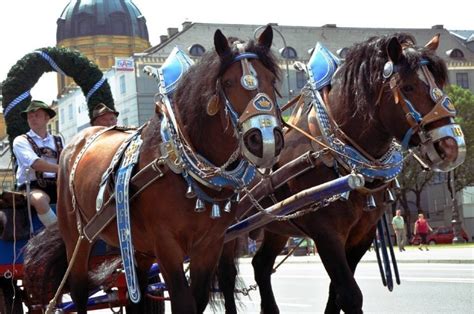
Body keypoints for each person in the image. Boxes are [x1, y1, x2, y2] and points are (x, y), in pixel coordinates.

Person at [12, 100, 63, 228]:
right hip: (30, 188)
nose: (33, 118)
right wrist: (64, 169)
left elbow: (67, 159)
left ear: (47, 118)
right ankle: (57, 234)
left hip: (58, 186)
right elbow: (36, 164)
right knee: (40, 200)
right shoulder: (20, 140)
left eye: (37, 115)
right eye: (30, 116)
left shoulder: (58, 140)